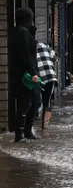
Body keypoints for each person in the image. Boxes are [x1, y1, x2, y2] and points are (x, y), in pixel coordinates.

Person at [10, 8, 41, 141]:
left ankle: (27, 131)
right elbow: (25, 55)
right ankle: (20, 134)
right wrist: (33, 73)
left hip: (21, 73)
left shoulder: (20, 31)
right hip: (25, 75)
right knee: (27, 103)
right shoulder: (22, 33)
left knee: (34, 102)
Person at [36, 38, 59, 127]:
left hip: (38, 78)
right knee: (47, 101)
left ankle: (32, 122)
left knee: (36, 100)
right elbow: (54, 58)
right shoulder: (46, 46)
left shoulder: (30, 48)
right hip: (50, 77)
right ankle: (44, 125)